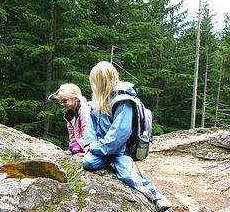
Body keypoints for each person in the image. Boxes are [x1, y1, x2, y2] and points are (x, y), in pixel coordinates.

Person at [82, 61, 171, 212]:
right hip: (102, 147)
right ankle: (110, 162)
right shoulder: (97, 100)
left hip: (120, 149)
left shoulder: (122, 99)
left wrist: (98, 147)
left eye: (95, 82)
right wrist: (89, 143)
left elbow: (120, 132)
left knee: (127, 175)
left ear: (102, 81)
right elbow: (91, 125)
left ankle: (157, 196)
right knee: (88, 163)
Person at [50, 83, 90, 156]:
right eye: (61, 102)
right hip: (81, 141)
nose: (62, 104)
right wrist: (72, 143)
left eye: (65, 101)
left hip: (90, 141)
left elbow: (87, 130)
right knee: (72, 147)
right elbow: (72, 132)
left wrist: (87, 149)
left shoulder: (85, 110)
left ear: (75, 99)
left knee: (74, 148)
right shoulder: (70, 114)